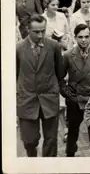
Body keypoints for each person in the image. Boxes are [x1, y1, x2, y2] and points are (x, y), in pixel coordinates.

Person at [16, 15, 64, 157]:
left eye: (43, 31)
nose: (40, 35)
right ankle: (32, 162)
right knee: (29, 140)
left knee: (51, 141)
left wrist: (58, 91)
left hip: (49, 99)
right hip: (27, 100)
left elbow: (59, 72)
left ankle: (47, 167)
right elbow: (14, 75)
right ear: (27, 30)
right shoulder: (18, 49)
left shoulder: (54, 46)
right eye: (36, 32)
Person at [58, 23, 90, 156]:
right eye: (80, 37)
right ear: (75, 38)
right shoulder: (68, 55)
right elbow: (59, 78)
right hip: (75, 99)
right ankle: (70, 156)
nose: (83, 40)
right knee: (73, 131)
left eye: (86, 36)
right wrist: (67, 93)